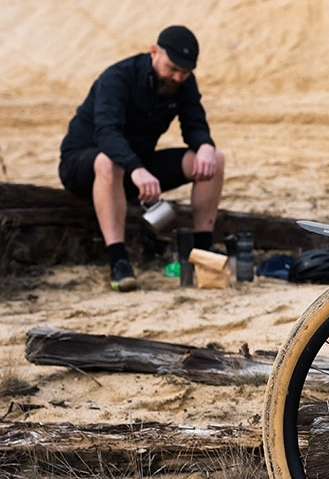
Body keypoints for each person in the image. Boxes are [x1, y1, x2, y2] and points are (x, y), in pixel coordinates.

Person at [58, 25, 225, 291]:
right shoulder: (117, 77)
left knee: (214, 157)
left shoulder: (183, 81)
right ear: (154, 52)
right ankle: (119, 261)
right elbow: (107, 133)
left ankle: (203, 251)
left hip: (136, 166)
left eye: (185, 72)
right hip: (83, 165)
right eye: (172, 68)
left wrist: (204, 144)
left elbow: (194, 124)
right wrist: (135, 167)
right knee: (108, 162)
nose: (178, 77)